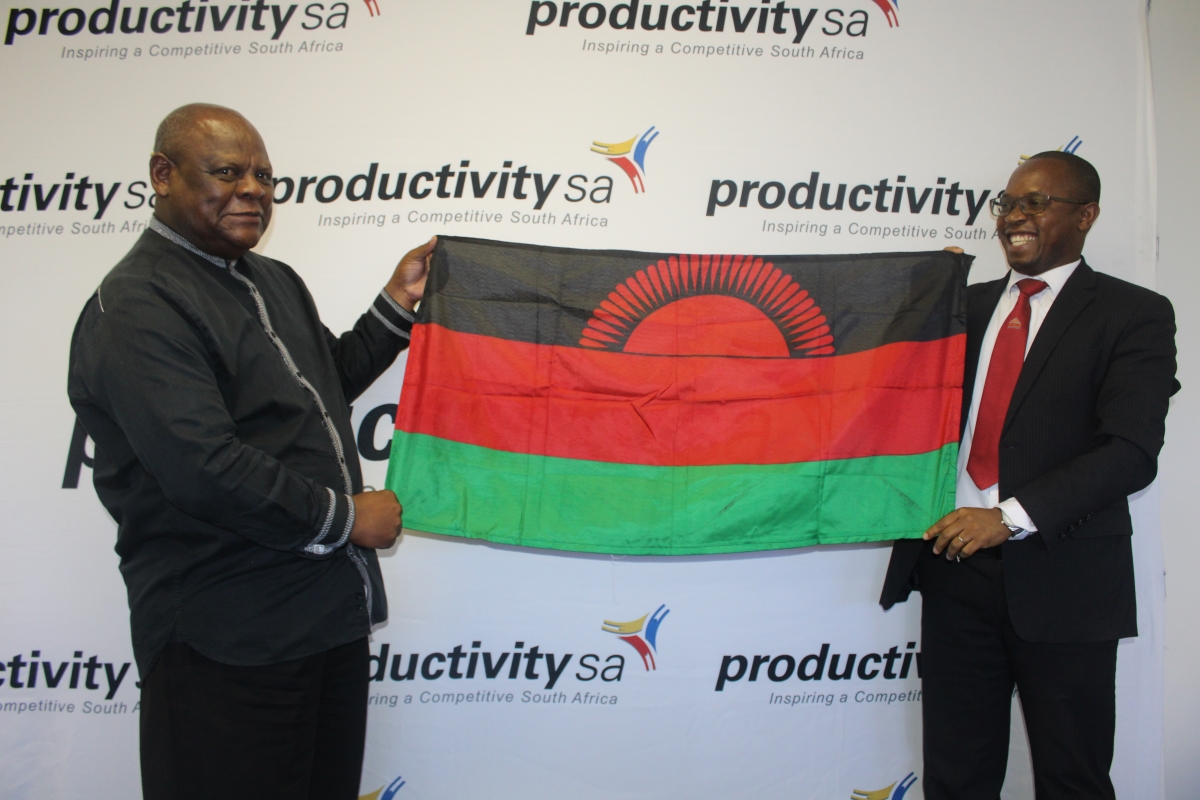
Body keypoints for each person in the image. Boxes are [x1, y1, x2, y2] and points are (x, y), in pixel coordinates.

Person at [67, 103, 435, 800]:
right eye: (227, 172)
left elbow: (323, 383)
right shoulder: (139, 304)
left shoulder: (273, 280)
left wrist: (396, 302)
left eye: (264, 177)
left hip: (322, 620)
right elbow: (202, 467)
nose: (252, 191)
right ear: (163, 175)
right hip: (227, 637)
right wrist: (347, 519)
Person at [880, 151, 1178, 799]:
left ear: (1086, 215)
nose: (1014, 216)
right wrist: (921, 296)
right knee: (956, 777)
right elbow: (886, 392)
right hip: (953, 571)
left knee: (1072, 778)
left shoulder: (1134, 313)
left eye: (1036, 203)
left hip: (1065, 578)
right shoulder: (961, 307)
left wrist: (1008, 518)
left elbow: (1130, 450)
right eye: (1008, 204)